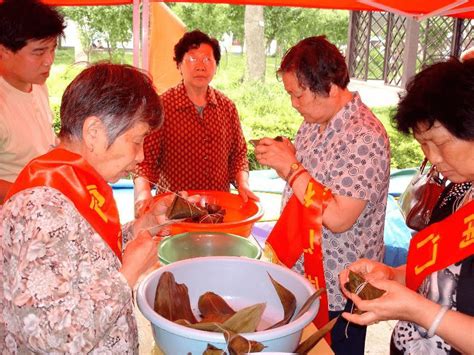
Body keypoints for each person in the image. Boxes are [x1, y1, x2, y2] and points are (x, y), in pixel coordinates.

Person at [0, 63, 182, 352]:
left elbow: (82, 257)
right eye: (137, 141)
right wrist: (129, 275)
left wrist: (140, 228)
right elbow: (52, 338)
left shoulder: (73, 179)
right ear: (94, 131)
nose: (141, 155)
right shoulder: (41, 207)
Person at [255, 35, 390, 354]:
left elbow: (339, 217)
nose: (294, 104)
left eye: (298, 95)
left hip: (340, 286)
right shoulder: (314, 124)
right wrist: (288, 159)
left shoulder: (364, 136)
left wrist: (290, 167)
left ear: (330, 87)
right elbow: (309, 185)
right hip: (305, 275)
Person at [339, 58, 474, 355]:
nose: (433, 158)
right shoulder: (458, 191)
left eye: (441, 143)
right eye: (423, 145)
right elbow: (439, 274)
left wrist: (417, 310)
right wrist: (392, 275)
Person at [134, 30, 257, 215]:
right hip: (174, 210)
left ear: (216, 66)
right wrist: (143, 193)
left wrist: (243, 184)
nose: (200, 66)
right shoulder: (161, 106)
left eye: (208, 60)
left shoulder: (227, 107)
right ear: (178, 64)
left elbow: (239, 155)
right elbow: (145, 160)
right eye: (192, 59)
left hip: (217, 208)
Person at [0, 0, 65, 201]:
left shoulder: (37, 85)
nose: (49, 60)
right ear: (4, 51)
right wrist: (33, 196)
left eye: (53, 49)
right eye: (39, 52)